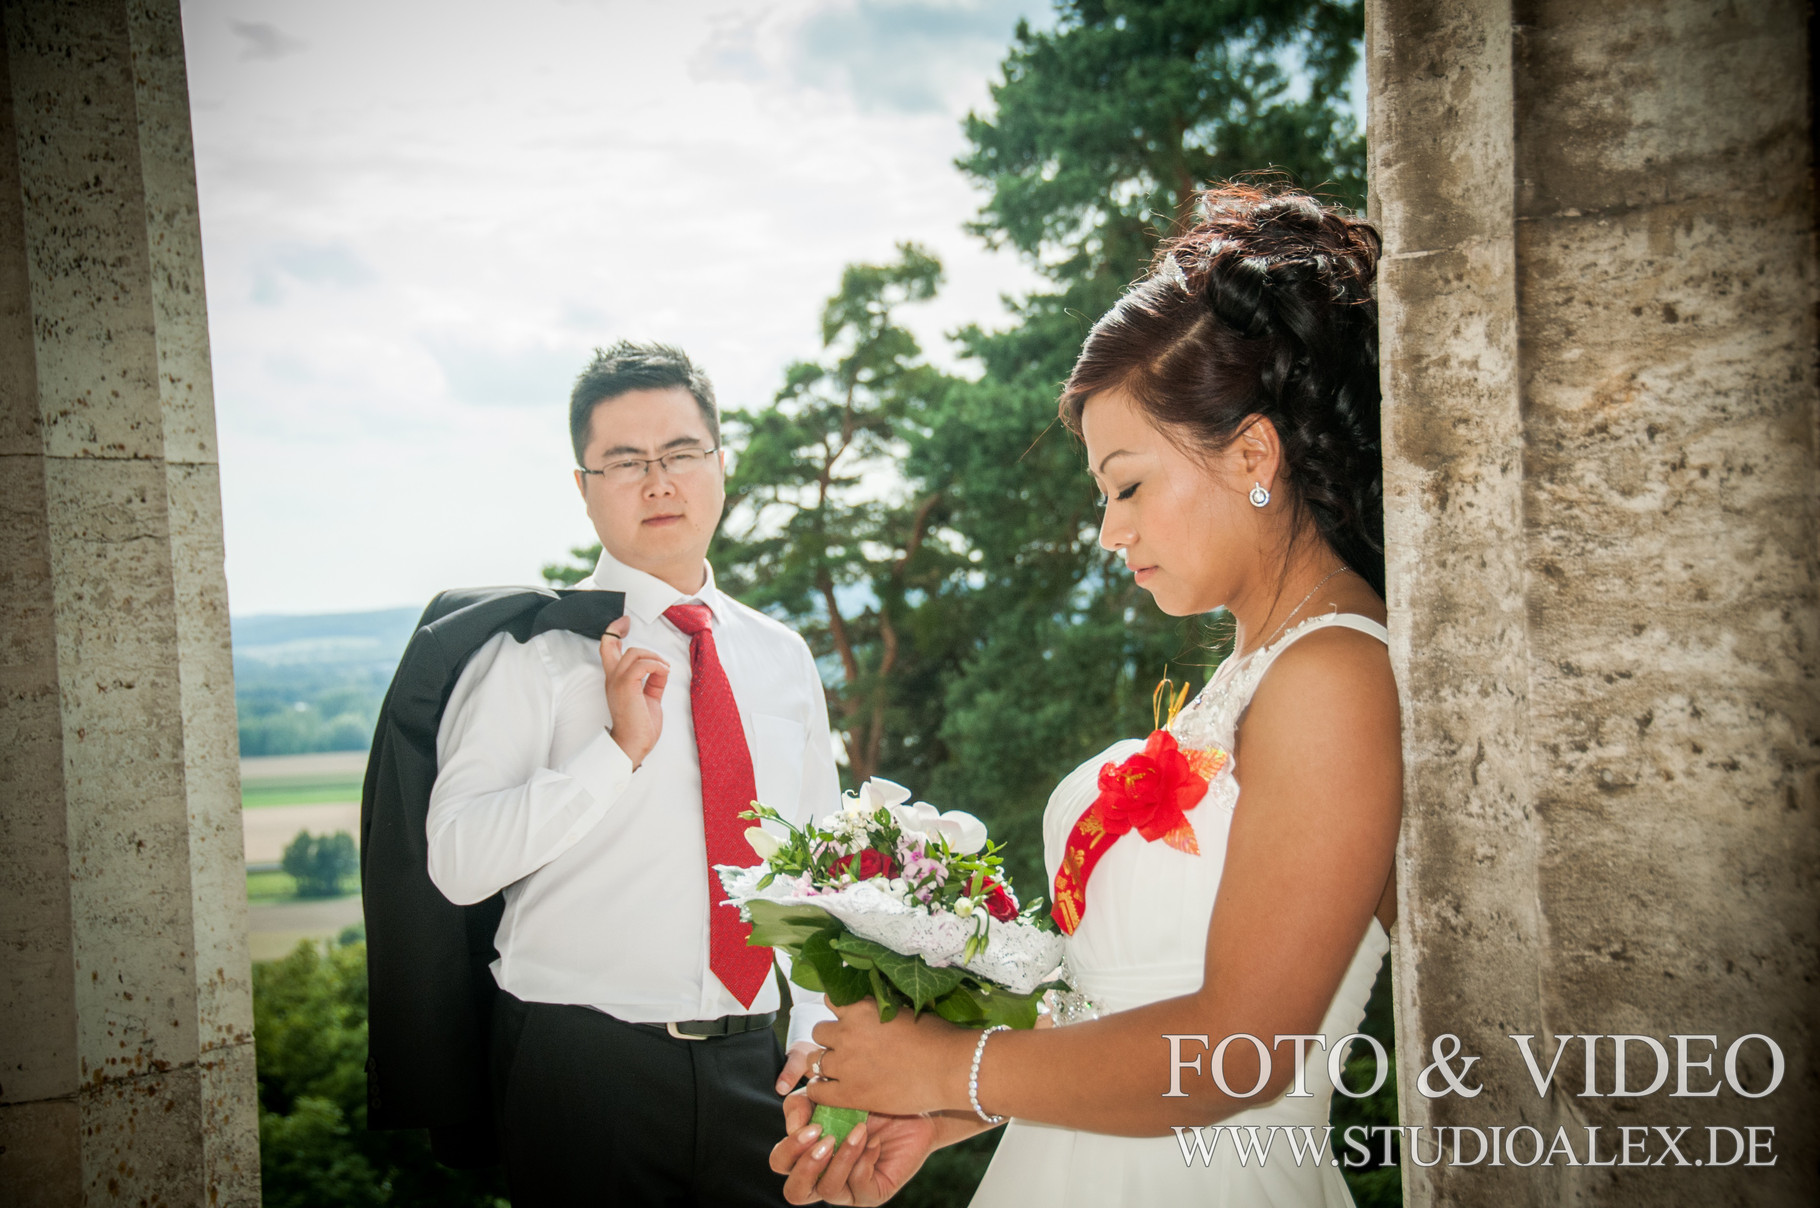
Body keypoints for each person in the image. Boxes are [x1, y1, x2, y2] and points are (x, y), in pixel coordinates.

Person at [770, 184, 1400, 1207]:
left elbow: (1237, 1049)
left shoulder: (1332, 674)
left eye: (1128, 483)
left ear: (1252, 452)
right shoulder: (1252, 675)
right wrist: (949, 1109)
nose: (1109, 530)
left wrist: (944, 1063)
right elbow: (1124, 998)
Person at [425, 340, 839, 1207]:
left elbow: (815, 866)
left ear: (720, 465)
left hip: (756, 1069)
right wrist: (614, 752)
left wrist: (815, 1029)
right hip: (583, 1073)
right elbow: (457, 863)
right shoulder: (528, 656)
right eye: (624, 461)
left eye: (681, 453)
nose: (659, 482)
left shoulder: (778, 655)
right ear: (582, 486)